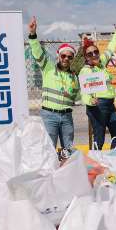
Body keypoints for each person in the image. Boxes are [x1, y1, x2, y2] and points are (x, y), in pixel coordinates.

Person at [28, 16, 79, 149]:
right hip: (49, 116)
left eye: (69, 57)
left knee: (68, 149)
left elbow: (77, 97)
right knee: (49, 149)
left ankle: (66, 169)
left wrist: (88, 98)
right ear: (58, 56)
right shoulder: (48, 68)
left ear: (72, 59)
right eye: (63, 56)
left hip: (67, 116)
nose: (66, 59)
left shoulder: (74, 77)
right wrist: (33, 35)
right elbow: (37, 52)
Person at [79, 25, 116, 150]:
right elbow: (85, 93)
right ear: (86, 57)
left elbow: (110, 49)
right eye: (90, 54)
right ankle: (95, 165)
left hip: (110, 104)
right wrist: (90, 101)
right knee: (99, 138)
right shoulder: (86, 71)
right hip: (98, 106)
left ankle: (114, 160)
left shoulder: (101, 63)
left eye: (96, 52)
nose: (94, 55)